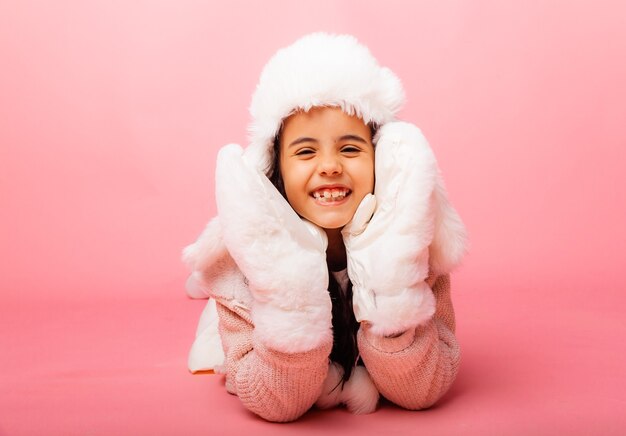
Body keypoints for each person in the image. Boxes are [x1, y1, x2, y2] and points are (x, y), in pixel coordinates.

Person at [183, 32, 467, 422]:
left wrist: (393, 290)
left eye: (350, 148)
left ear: (381, 160)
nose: (330, 165)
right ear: (275, 168)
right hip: (260, 316)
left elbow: (423, 390)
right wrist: (287, 299)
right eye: (305, 151)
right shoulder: (241, 270)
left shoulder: (415, 249)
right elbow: (274, 403)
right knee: (215, 333)